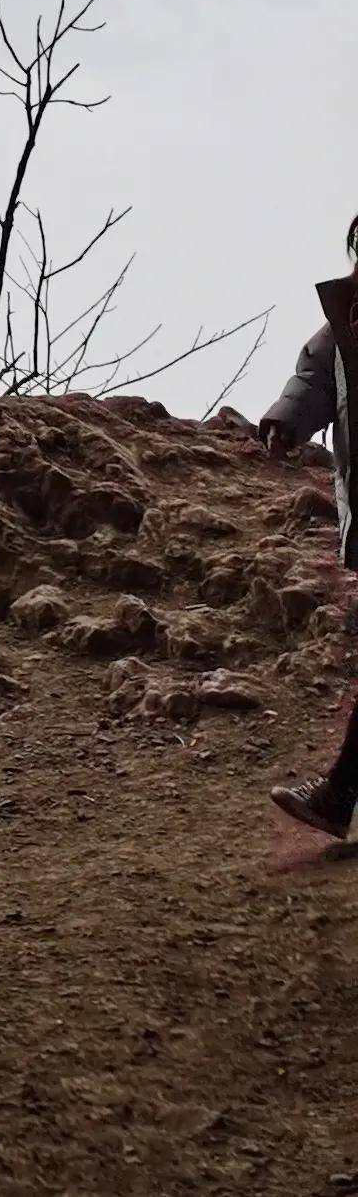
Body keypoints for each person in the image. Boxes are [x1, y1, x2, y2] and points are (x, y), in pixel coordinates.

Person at [258, 216, 358, 836]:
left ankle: (338, 796)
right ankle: (338, 796)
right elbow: (314, 378)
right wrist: (286, 421)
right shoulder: (344, 322)